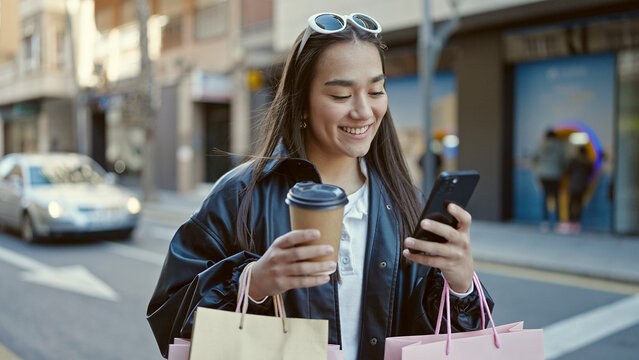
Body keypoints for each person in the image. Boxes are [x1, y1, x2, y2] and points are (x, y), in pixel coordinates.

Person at [146, 12, 493, 360]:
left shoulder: (406, 201)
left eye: (376, 90)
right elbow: (170, 322)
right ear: (302, 107)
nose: (364, 111)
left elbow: (442, 340)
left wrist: (460, 285)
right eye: (341, 95)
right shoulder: (240, 195)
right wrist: (253, 284)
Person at [533, 129, 566, 229]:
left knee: (545, 198)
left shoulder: (541, 146)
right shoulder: (560, 146)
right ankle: (558, 222)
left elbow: (534, 159)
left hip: (544, 175)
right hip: (556, 175)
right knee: (556, 199)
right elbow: (564, 161)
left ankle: (545, 222)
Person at [566, 145, 593, 232]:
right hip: (583, 185)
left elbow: (568, 171)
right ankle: (577, 223)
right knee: (579, 204)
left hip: (573, 184)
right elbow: (591, 172)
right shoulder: (588, 162)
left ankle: (570, 221)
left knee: (570, 203)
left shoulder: (574, 161)